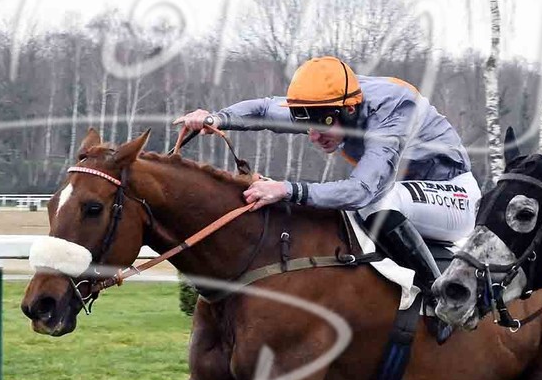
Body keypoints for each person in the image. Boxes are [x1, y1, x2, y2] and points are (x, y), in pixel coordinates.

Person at [174, 56, 479, 296]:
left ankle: (443, 296)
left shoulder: (392, 111)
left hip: (455, 196)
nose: (313, 137)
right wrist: (216, 118)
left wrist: (286, 190)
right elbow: (265, 109)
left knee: (375, 202)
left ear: (348, 112)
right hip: (409, 192)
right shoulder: (327, 104)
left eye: (322, 128)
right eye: (308, 127)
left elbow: (361, 191)